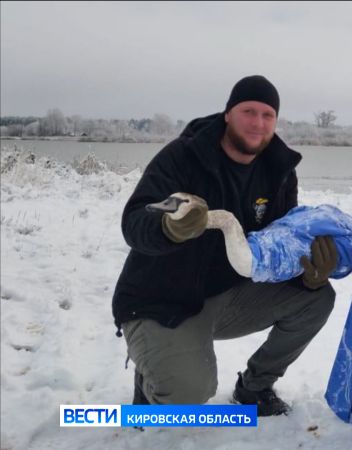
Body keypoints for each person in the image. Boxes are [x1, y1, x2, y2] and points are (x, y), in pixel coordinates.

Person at [112, 75, 339, 416]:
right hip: (160, 301)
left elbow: (281, 243)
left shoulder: (278, 171)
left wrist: (307, 273)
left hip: (228, 296)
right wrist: (167, 227)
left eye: (267, 115)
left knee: (317, 299)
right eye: (249, 111)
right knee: (187, 398)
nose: (257, 123)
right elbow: (134, 221)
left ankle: (255, 388)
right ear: (228, 114)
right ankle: (152, 380)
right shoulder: (182, 157)